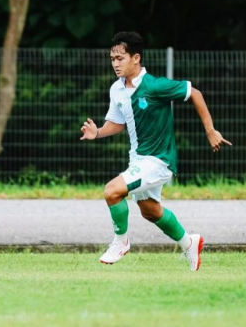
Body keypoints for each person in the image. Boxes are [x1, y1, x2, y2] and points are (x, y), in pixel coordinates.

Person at [80, 32, 231, 271]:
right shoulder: (116, 90)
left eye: (120, 58)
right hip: (138, 160)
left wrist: (210, 130)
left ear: (136, 58)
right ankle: (189, 242)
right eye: (112, 59)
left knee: (112, 191)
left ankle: (121, 242)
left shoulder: (154, 86)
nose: (115, 63)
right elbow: (117, 123)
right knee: (150, 211)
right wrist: (97, 132)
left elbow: (195, 93)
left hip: (159, 161)